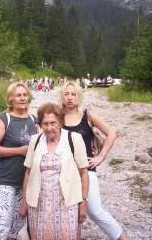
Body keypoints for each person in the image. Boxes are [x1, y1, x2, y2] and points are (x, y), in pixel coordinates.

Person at [59, 80, 126, 240]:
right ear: (62, 96)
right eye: (66, 94)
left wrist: (100, 156)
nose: (70, 97)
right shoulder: (57, 117)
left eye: (73, 94)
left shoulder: (87, 115)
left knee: (95, 210)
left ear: (79, 96)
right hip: (64, 171)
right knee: (69, 212)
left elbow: (111, 133)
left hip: (87, 170)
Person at [20, 102, 89, 240]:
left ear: (60, 122)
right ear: (40, 124)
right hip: (39, 206)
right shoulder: (35, 140)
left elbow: (84, 172)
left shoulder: (73, 139)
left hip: (66, 204)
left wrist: (83, 202)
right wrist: (24, 203)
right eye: (45, 124)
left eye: (53, 123)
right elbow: (28, 172)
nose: (49, 128)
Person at [0, 82, 38, 240]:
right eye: (18, 95)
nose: (22, 98)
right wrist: (18, 150)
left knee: (16, 226)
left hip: (24, 182)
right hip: (4, 180)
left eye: (24, 95)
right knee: (0, 226)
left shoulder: (33, 120)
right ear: (11, 100)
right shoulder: (4, 120)